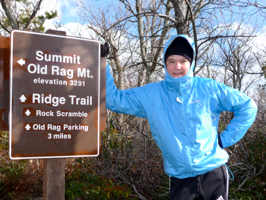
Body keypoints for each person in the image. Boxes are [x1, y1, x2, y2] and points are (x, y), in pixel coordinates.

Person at [101, 35, 257, 200]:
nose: (177, 67)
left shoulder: (208, 88)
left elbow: (248, 106)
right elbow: (114, 100)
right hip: (180, 177)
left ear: (191, 63)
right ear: (164, 63)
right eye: (171, 61)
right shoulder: (151, 94)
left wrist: (224, 139)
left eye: (183, 61)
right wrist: (103, 63)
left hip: (213, 173)